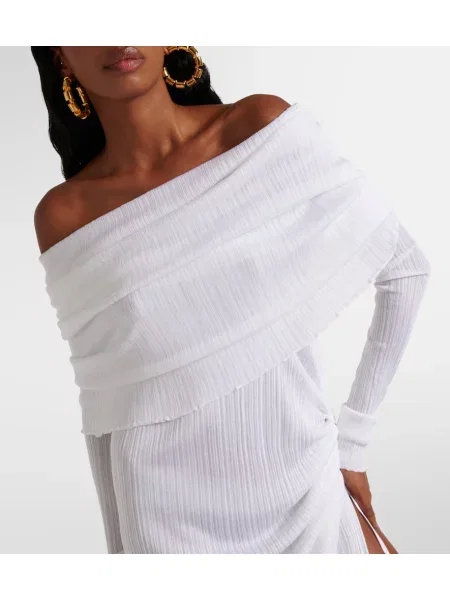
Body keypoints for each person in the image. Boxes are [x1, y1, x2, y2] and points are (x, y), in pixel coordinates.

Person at [32, 46, 430, 554]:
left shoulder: (258, 129)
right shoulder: (66, 215)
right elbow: (108, 410)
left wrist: (352, 444)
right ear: (61, 58)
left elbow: (406, 268)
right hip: (166, 525)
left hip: (307, 492)